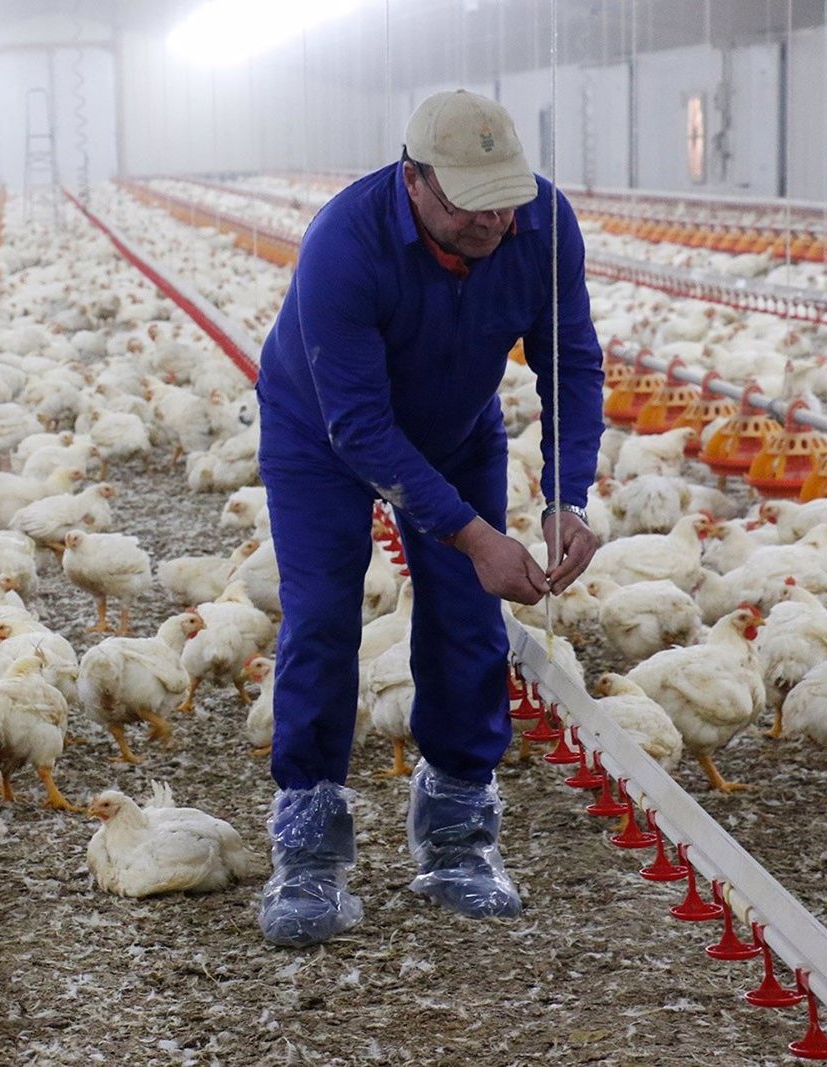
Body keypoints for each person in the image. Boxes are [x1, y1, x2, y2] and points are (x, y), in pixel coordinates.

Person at [253, 89, 605, 947]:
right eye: (472, 204)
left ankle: (456, 835)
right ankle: (309, 848)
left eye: (507, 197)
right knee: (325, 617)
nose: (496, 221)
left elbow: (570, 359)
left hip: (455, 425)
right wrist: (477, 535)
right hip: (323, 434)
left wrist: (567, 493)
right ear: (414, 183)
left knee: (464, 622)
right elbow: (360, 426)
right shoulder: (345, 243)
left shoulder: (543, 223)